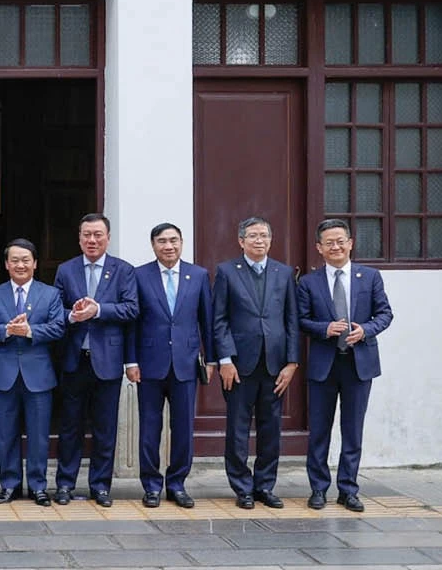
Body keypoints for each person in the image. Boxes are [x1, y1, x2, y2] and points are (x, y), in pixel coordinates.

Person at [297, 218, 393, 513]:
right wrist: (324, 328)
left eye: (341, 241)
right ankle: (318, 488)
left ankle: (348, 489)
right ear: (319, 248)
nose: (335, 246)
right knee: (319, 430)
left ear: (350, 243)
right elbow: (300, 320)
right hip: (324, 365)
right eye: (329, 242)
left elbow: (385, 314)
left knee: (353, 430)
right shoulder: (308, 282)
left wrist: (366, 329)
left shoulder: (370, 277)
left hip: (359, 364)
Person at [212, 215, 300, 510]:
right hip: (239, 365)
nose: (259, 240)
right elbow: (220, 319)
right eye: (253, 236)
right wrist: (225, 359)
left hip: (275, 365)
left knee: (270, 428)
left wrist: (292, 362)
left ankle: (265, 485)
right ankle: (242, 487)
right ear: (241, 241)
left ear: (270, 240)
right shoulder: (226, 271)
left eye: (264, 235)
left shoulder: (284, 273)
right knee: (237, 428)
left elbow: (292, 320)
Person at [52, 212, 139, 507]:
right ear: (79, 238)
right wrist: (72, 315)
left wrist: (99, 310)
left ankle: (100, 486)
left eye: (97, 235)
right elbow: (55, 310)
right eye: (86, 235)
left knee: (105, 428)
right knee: (70, 426)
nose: (92, 240)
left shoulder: (123, 270)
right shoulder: (66, 270)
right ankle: (64, 484)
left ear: (108, 238)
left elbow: (131, 309)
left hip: (108, 361)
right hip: (74, 359)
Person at [126, 222, 213, 508]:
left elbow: (207, 321)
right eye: (162, 241)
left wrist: (210, 358)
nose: (168, 246)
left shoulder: (198, 275)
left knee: (184, 428)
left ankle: (177, 484)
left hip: (186, 364)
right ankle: (151, 485)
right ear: (153, 245)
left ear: (182, 242)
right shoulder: (139, 275)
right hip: (149, 364)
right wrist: (131, 360)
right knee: (149, 428)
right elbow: (132, 323)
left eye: (173, 240)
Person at [0, 239, 64, 506]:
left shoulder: (49, 294)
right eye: (14, 260)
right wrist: (6, 330)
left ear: (35, 263)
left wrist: (29, 331)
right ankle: (9, 485)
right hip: (5, 375)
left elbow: (58, 328)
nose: (20, 265)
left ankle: (38, 485)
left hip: (38, 375)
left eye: (25, 260)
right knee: (6, 433)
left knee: (38, 434)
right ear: (6, 264)